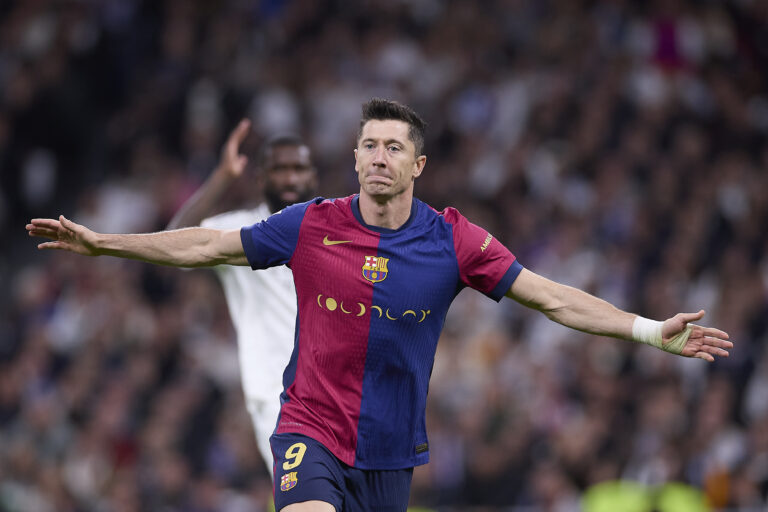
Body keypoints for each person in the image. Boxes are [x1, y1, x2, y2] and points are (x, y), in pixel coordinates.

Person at [27, 98, 732, 512]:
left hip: (391, 453)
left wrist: (648, 331)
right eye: (368, 144)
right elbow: (201, 247)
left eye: (394, 147)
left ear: (417, 165)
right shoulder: (310, 224)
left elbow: (551, 299)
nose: (377, 156)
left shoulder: (454, 241)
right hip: (309, 428)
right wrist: (103, 244)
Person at [166, 119, 318, 473]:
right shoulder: (239, 229)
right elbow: (175, 241)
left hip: (337, 394)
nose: (290, 178)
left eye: (299, 168)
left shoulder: (337, 230)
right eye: (279, 169)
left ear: (313, 175)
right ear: (261, 177)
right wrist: (222, 177)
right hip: (276, 397)